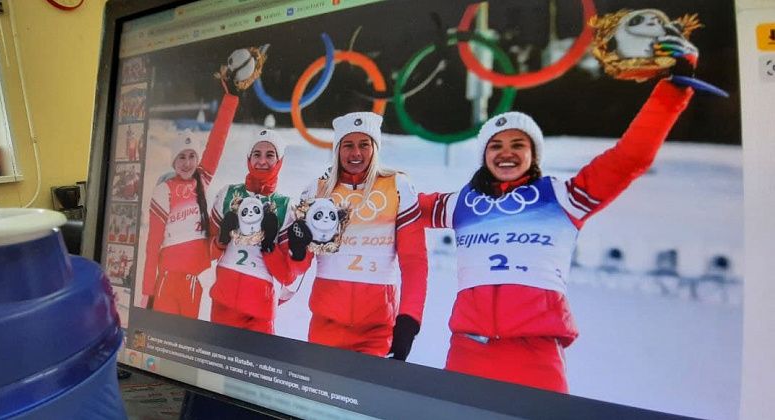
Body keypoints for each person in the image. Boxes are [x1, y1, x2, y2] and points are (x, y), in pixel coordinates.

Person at [418, 72, 695, 391]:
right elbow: (399, 206)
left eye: (517, 144)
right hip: (469, 351)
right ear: (484, 156)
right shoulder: (463, 204)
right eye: (496, 145)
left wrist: (672, 91)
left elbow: (629, 159)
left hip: (536, 354)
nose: (506, 152)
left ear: (533, 154)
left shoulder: (564, 198)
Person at [285, 112, 427, 360]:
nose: (356, 153)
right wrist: (297, 251)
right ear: (337, 150)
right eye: (348, 145)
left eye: (364, 145)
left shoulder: (397, 186)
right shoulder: (317, 190)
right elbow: (297, 268)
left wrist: (409, 321)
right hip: (325, 327)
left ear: (375, 149)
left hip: (376, 332)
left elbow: (414, 261)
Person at [139, 80, 240, 318]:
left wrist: (230, 99)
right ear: (173, 161)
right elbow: (152, 245)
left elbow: (217, 141)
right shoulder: (164, 190)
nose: (187, 162)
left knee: (184, 342)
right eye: (181, 157)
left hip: (195, 281)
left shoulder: (201, 181)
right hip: (167, 279)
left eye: (192, 156)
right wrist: (147, 291)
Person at [209, 130, 295, 334]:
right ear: (249, 158)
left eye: (270, 155)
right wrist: (221, 240)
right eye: (257, 154)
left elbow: (288, 276)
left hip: (259, 312)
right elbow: (205, 253)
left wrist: (269, 248)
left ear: (280, 160)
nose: (262, 161)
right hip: (223, 304)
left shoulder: (285, 206)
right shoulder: (228, 194)